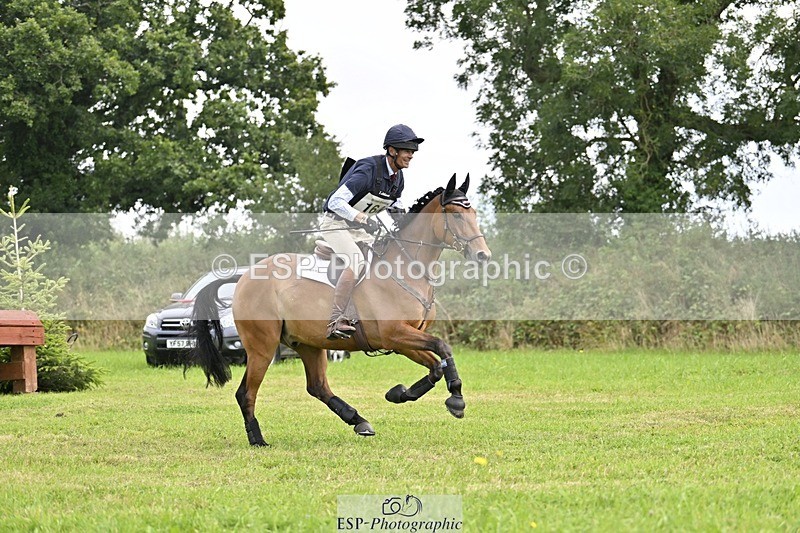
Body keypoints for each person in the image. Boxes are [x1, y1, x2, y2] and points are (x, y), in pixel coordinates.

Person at [320, 124, 424, 340]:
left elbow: (396, 207)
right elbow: (336, 201)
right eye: (407, 150)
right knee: (356, 261)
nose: (411, 155)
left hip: (359, 231)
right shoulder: (368, 169)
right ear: (392, 151)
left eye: (413, 151)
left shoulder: (398, 178)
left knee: (381, 261)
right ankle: (336, 319)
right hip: (336, 224)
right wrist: (361, 218)